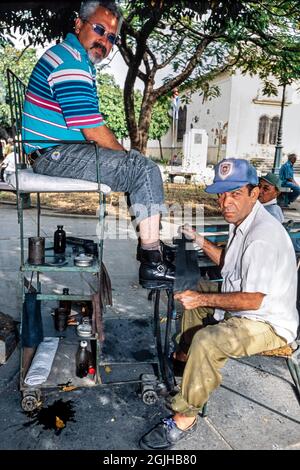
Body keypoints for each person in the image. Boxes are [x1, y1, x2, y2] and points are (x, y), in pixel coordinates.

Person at [140, 158, 299, 450]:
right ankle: (186, 364)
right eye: (222, 194)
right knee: (194, 290)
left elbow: (252, 300)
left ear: (255, 193)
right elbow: (229, 264)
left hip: (268, 322)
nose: (226, 202)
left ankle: (184, 417)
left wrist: (202, 298)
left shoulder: (262, 236)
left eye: (235, 194)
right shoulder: (243, 222)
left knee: (208, 340)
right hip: (249, 306)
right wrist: (199, 240)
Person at [21, 0, 174, 288]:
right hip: (53, 154)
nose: (104, 41)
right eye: (99, 30)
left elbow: (90, 128)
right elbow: (93, 130)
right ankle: (153, 262)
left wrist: (128, 160)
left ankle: (150, 248)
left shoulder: (75, 59)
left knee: (138, 167)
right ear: (78, 24)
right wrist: (128, 159)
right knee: (143, 170)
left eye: (111, 38)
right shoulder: (70, 63)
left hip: (55, 150)